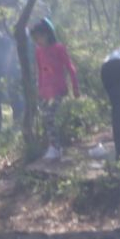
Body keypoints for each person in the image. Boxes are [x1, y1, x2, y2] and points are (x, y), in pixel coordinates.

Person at [30, 20, 78, 157]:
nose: (37, 41)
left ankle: (56, 147)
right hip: (45, 91)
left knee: (49, 115)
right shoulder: (38, 51)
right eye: (34, 38)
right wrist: (39, 90)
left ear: (47, 35)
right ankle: (55, 146)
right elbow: (40, 71)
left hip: (59, 89)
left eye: (38, 37)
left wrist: (75, 87)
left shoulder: (59, 48)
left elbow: (70, 67)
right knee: (46, 118)